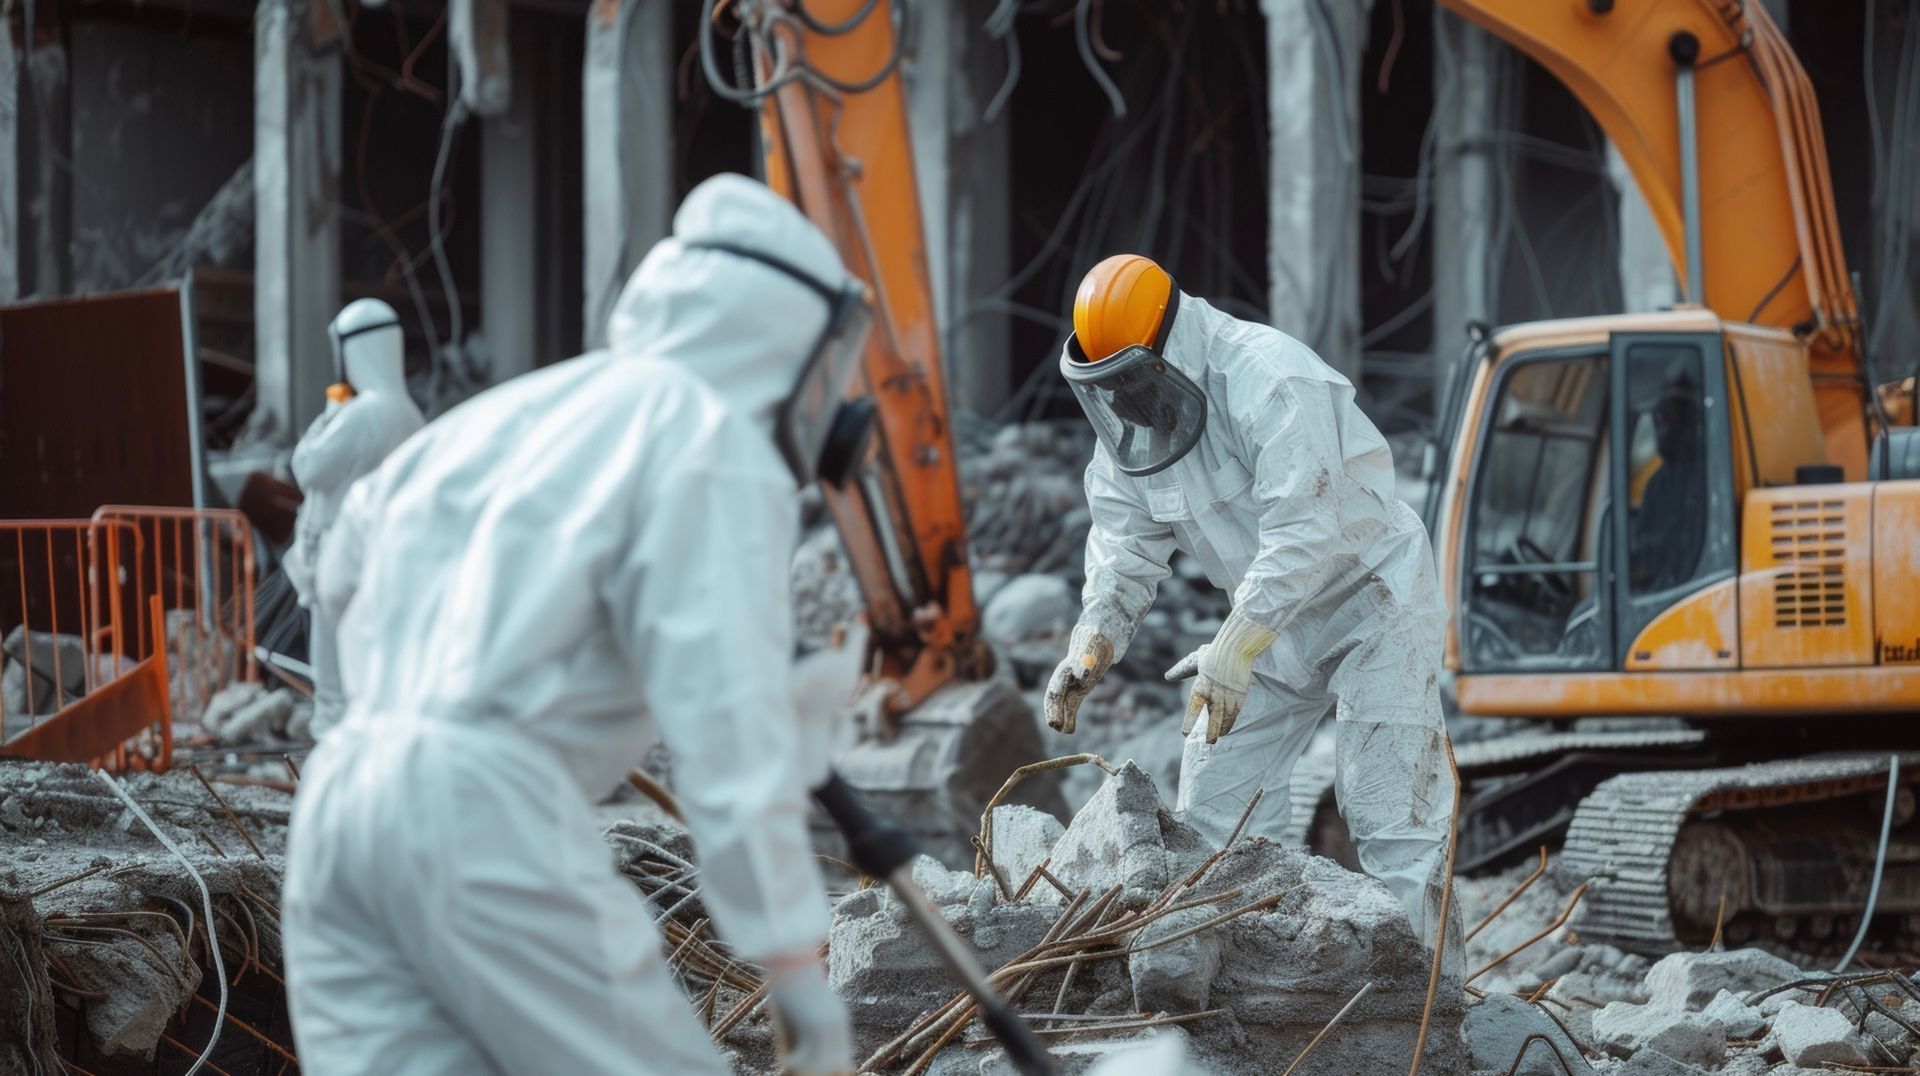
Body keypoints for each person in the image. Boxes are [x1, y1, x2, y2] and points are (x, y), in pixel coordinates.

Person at [282, 175, 868, 1075]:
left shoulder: (504, 415)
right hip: (482, 822)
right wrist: (793, 961)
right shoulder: (713, 443)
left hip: (339, 805)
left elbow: (341, 568)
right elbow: (727, 735)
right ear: (779, 338)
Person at [1043, 253, 1456, 947]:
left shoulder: (1268, 378)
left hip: (1372, 600)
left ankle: (1426, 1019)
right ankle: (1250, 998)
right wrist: (1091, 642)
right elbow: (1123, 548)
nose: (1123, 401)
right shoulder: (1133, 431)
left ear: (1166, 350)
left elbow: (1306, 529)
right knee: (1212, 817)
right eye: (1108, 386)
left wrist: (1235, 646)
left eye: (1130, 382)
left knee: (1393, 817)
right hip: (1269, 620)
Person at [284, 298, 425, 739]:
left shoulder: (361, 415)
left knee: (331, 668)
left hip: (337, 552)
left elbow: (308, 468)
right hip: (384, 553)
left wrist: (329, 416)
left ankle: (334, 744)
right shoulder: (410, 414)